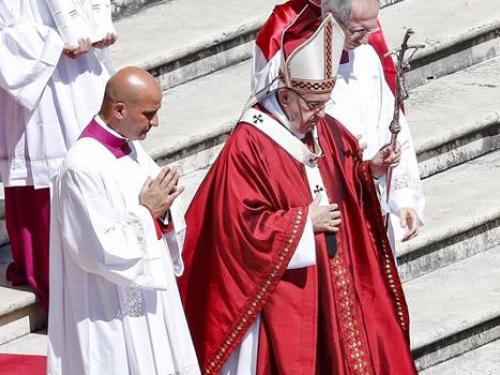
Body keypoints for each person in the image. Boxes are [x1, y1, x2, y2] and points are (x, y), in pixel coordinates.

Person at [179, 12, 417, 374]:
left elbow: (346, 177)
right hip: (287, 294)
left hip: (336, 281)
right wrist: (305, 223)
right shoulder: (249, 144)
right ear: (286, 96)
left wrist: (374, 170)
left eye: (324, 104)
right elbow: (238, 226)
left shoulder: (325, 126)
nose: (320, 114)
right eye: (312, 105)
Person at [47, 67, 200, 375]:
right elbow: (97, 249)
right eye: (149, 113)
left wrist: (166, 209)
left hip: (149, 301)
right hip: (108, 307)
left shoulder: (129, 146)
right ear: (119, 110)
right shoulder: (81, 167)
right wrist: (148, 213)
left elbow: (157, 207)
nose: (155, 122)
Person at [252, 0, 424, 248]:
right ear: (330, 18)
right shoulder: (289, 57)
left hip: (371, 200)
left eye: (371, 29)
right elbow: (275, 135)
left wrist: (404, 198)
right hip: (326, 210)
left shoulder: (366, 56)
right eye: (358, 31)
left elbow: (393, 125)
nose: (366, 39)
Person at [0, 0, 116, 311]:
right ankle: (62, 284)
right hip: (39, 87)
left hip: (83, 76)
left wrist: (99, 23)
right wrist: (53, 43)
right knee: (50, 185)